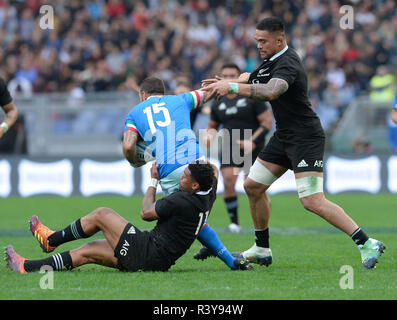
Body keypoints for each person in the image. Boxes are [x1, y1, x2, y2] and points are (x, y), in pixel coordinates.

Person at [202, 17, 385, 269]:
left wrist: (231, 86)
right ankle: (262, 248)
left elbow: (270, 91)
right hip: (284, 136)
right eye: (257, 41)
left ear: (280, 40)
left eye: (263, 41)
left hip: (305, 137)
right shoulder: (270, 62)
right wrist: (228, 82)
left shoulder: (289, 63)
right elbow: (252, 77)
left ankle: (366, 243)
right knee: (253, 186)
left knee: (312, 200)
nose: (259, 45)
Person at [7, 160, 251, 273]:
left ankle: (52, 239)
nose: (181, 177)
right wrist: (229, 260)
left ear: (196, 185)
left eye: (186, 176)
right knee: (87, 250)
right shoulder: (209, 195)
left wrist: (153, 180)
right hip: (156, 261)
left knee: (103, 214)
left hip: (146, 251)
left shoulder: (182, 200)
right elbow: (203, 229)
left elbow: (146, 213)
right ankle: (27, 267)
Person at [122, 77, 251, 270]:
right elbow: (209, 91)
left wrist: (135, 160)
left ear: (143, 94)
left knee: (188, 218)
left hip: (171, 170)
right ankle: (227, 258)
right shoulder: (180, 99)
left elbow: (128, 145)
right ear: (162, 92)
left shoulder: (134, 113)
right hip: (197, 164)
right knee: (197, 213)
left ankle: (210, 249)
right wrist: (233, 81)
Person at [202, 63, 272, 233]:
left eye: (231, 75)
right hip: (230, 145)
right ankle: (235, 223)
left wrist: (253, 141)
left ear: (239, 77)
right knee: (228, 181)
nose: (227, 79)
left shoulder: (251, 95)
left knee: (253, 185)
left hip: (253, 147)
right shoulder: (219, 101)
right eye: (224, 76)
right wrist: (209, 134)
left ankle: (261, 219)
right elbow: (213, 124)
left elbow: (267, 123)